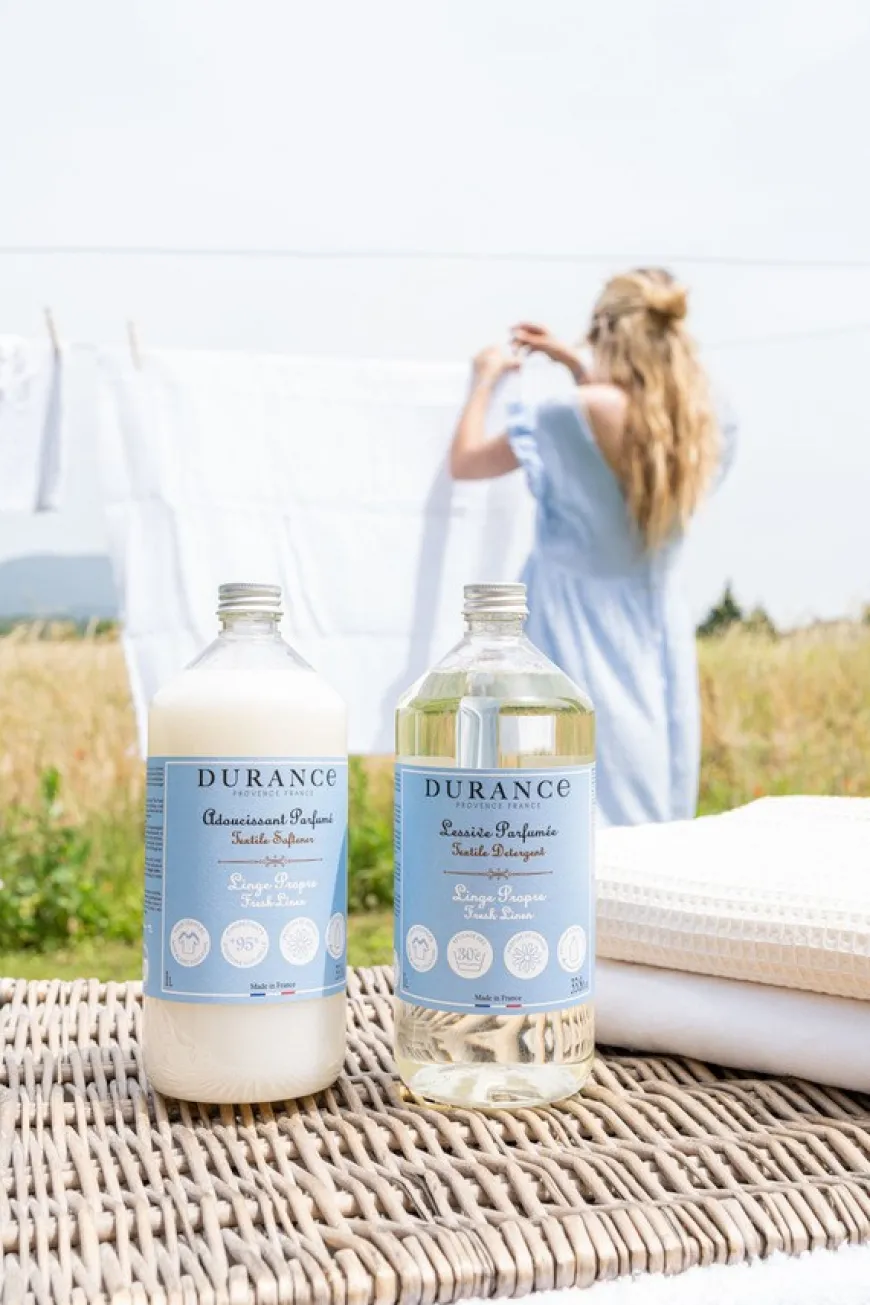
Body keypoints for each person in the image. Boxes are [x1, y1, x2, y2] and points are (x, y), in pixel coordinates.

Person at [449, 268, 733, 827]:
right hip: (654, 633)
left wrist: (484, 379)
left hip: (570, 629)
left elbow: (468, 461)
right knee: (645, 786)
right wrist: (575, 363)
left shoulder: (565, 415)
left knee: (567, 787)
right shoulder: (695, 420)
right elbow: (619, 417)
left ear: (603, 329)